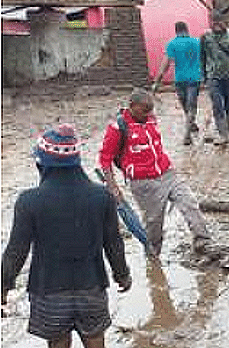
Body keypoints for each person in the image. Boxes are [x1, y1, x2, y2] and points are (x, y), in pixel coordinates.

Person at [2, 124, 132, 348]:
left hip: (49, 292)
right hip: (91, 288)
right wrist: (122, 275)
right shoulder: (102, 197)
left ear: (41, 163)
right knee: (95, 342)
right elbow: (113, 244)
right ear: (76, 161)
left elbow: (16, 251)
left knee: (59, 342)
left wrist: (4, 286)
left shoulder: (29, 201)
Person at [99, 89, 214, 257]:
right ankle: (153, 257)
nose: (148, 114)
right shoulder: (117, 128)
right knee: (154, 224)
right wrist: (113, 187)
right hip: (143, 183)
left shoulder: (150, 119)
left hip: (167, 173)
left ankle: (202, 241)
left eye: (150, 110)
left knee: (189, 203)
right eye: (144, 110)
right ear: (131, 107)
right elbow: (105, 159)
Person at [153, 21, 203, 146]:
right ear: (187, 29)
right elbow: (204, 59)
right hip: (194, 79)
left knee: (186, 105)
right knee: (192, 106)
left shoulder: (172, 44)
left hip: (180, 80)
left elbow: (165, 64)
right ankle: (190, 124)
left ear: (176, 31)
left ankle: (187, 133)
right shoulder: (197, 42)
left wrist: (157, 82)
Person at [200, 15, 229, 145]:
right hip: (213, 77)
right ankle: (223, 134)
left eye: (220, 23)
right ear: (211, 23)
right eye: (214, 23)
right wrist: (203, 76)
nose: (217, 25)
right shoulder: (205, 38)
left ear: (225, 23)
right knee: (217, 104)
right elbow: (202, 57)